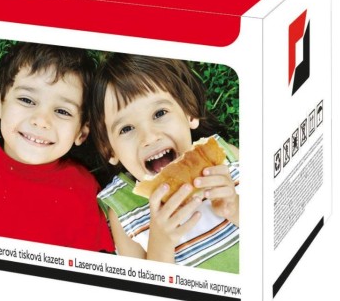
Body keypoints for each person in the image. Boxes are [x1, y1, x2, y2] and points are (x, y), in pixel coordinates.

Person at [0, 42, 114, 252]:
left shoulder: (82, 192)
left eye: (62, 111)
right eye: (27, 100)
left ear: (82, 132)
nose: (41, 120)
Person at [90, 54, 239, 272]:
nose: (149, 137)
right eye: (126, 128)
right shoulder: (124, 212)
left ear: (189, 113)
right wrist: (160, 243)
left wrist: (235, 208)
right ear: (109, 150)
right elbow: (143, 288)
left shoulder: (226, 158)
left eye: (160, 113)